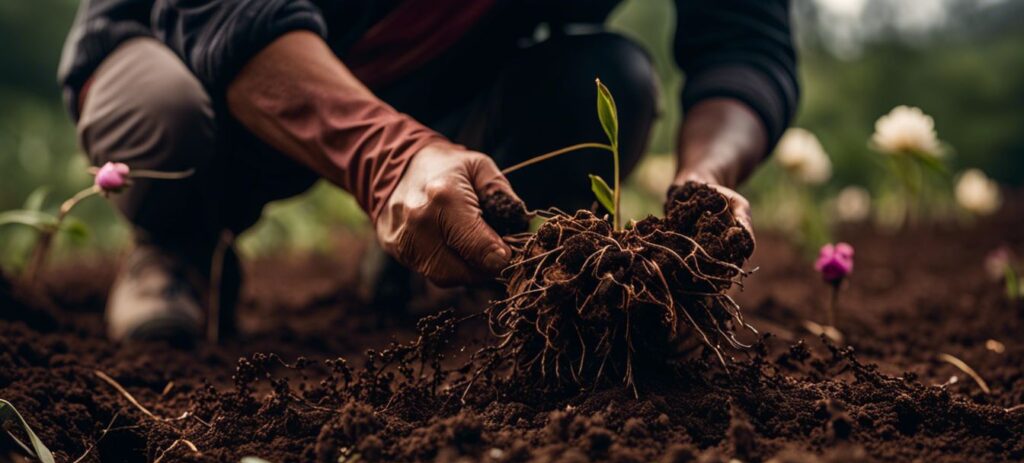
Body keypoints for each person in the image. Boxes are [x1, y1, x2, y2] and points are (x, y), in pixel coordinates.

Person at [59, 0, 798, 344]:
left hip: (435, 67)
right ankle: (176, 241)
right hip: (195, 52)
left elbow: (743, 41)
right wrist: (389, 158)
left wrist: (702, 181)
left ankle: (436, 249)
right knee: (165, 119)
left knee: (605, 84)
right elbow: (218, 12)